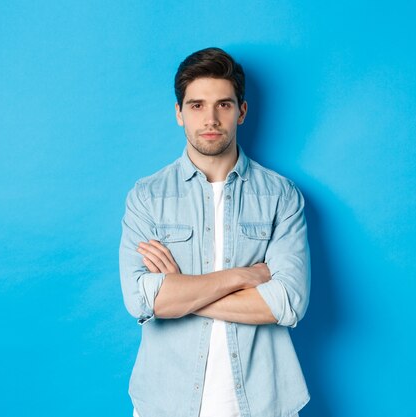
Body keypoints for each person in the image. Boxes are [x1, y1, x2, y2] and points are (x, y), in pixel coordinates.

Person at [119, 47, 310, 417]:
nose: (210, 119)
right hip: (166, 402)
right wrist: (244, 277)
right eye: (196, 106)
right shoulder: (147, 196)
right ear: (179, 114)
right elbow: (143, 301)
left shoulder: (281, 196)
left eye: (223, 105)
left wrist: (181, 291)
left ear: (241, 111)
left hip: (263, 401)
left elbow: (287, 302)